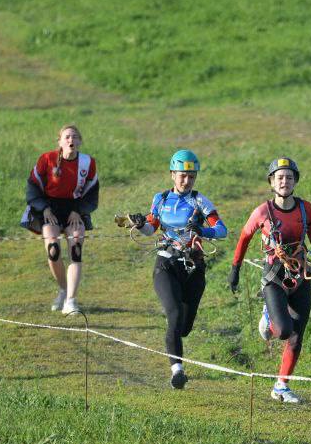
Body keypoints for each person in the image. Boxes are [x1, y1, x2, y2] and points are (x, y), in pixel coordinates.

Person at [227, 157, 311, 404]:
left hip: (301, 275)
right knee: (283, 331)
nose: (284, 181)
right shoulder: (262, 211)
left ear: (295, 181)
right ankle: (268, 315)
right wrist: (235, 269)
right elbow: (244, 237)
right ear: (271, 182)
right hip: (274, 277)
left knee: (297, 335)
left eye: (289, 177)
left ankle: (281, 386)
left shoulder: (304, 208)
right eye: (279, 177)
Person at [118, 150, 227, 390]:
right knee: (174, 314)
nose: (186, 181)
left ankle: (178, 346)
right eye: (182, 175)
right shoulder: (161, 199)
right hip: (166, 264)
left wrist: (202, 230)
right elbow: (150, 229)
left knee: (184, 326)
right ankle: (177, 370)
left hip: (193, 268)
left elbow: (222, 230)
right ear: (172, 175)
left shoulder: (200, 201)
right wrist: (140, 223)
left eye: (191, 176)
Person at [20, 124, 99, 315]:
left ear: (80, 141)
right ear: (60, 142)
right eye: (67, 137)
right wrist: (44, 208)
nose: (71, 140)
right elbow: (32, 187)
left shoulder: (88, 163)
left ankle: (71, 301)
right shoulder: (46, 159)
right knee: (53, 250)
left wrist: (78, 211)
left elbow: (92, 192)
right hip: (50, 210)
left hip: (74, 209)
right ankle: (63, 290)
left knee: (76, 248)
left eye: (74, 137)